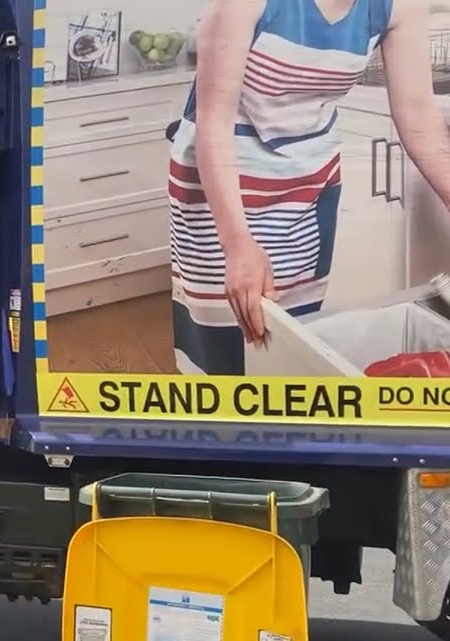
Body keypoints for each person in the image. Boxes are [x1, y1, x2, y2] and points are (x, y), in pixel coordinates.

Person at [167, 0, 450, 375]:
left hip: (307, 183)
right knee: (227, 338)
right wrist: (237, 245)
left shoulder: (401, 5)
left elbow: (418, 116)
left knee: (292, 338)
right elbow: (213, 125)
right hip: (221, 183)